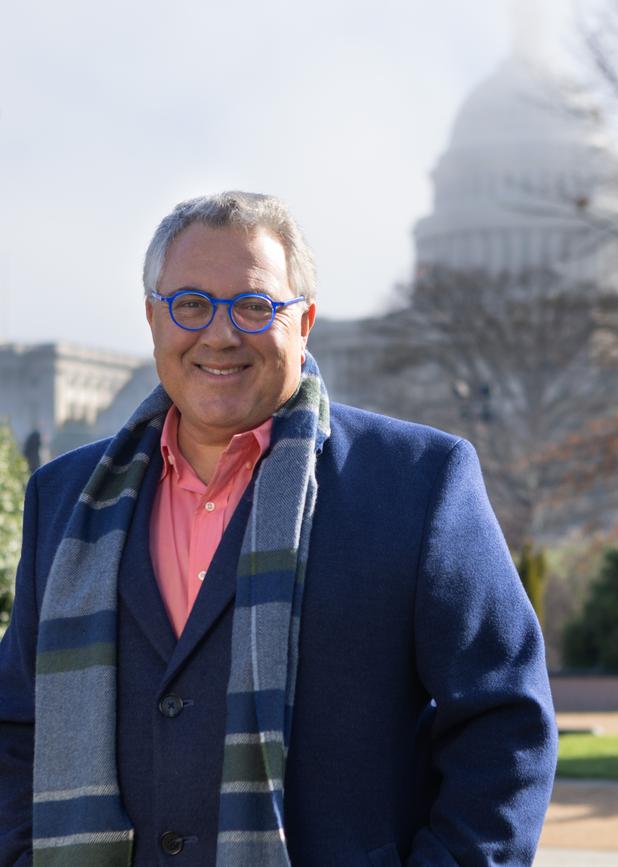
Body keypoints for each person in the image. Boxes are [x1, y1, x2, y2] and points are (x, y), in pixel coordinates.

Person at [0, 191, 557, 867]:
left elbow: (504, 722)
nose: (220, 334)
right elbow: (16, 727)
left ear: (305, 321)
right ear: (153, 318)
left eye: (255, 306)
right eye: (192, 304)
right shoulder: (63, 499)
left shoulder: (419, 483)